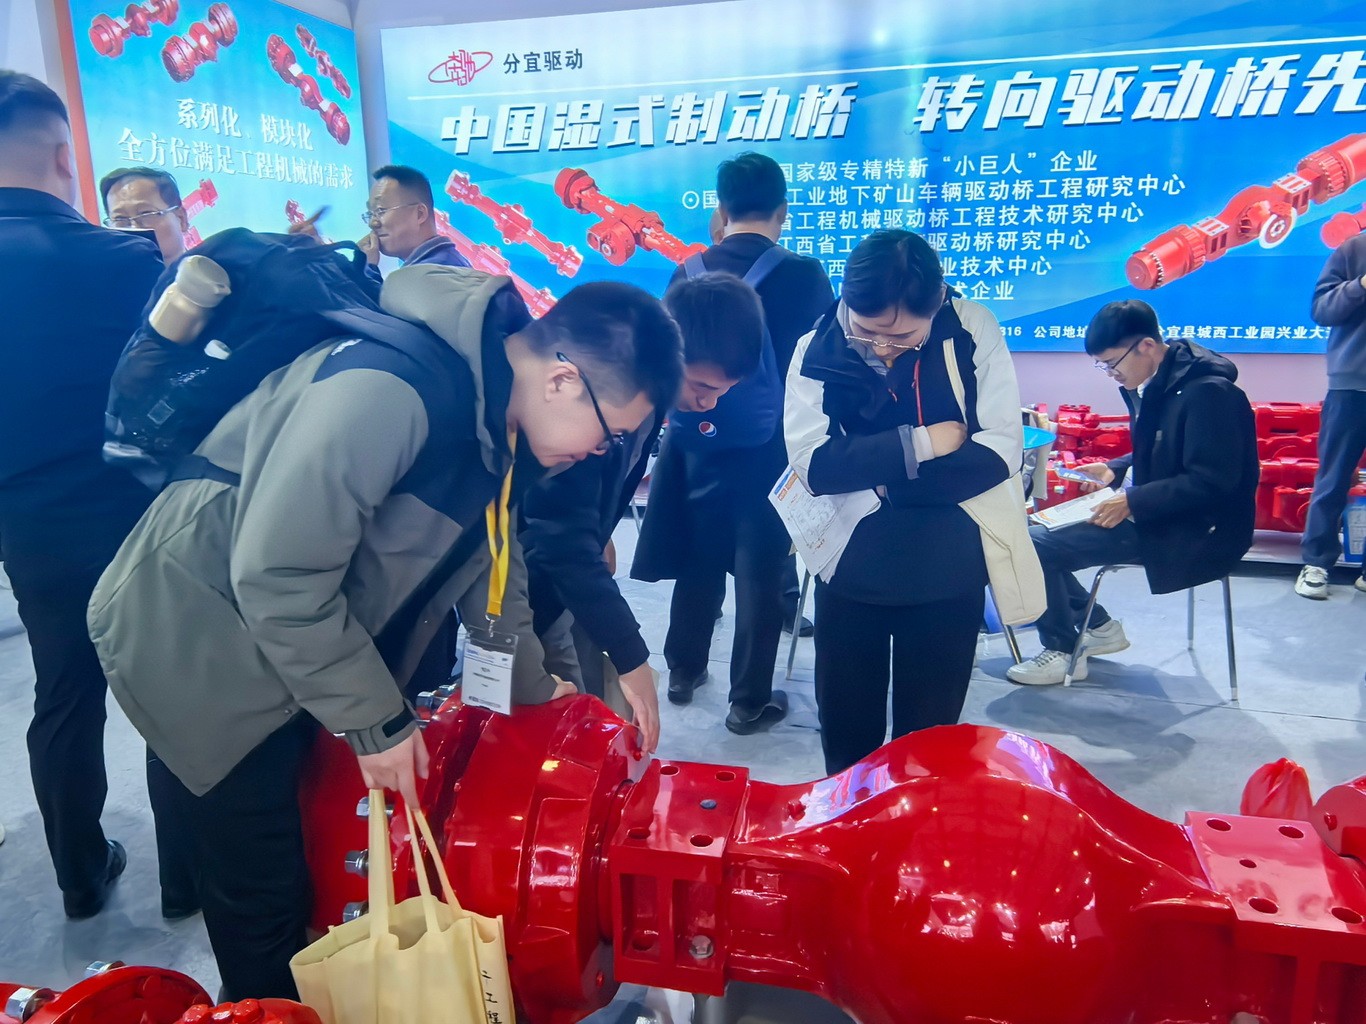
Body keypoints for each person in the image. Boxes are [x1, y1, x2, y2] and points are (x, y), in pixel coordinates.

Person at [88, 265, 681, 999]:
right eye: (609, 435)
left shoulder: (497, 420)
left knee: (304, 831)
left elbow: (493, 579)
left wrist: (533, 690)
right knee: (263, 887)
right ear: (564, 380)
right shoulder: (390, 391)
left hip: (279, 636)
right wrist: (376, 721)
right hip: (198, 637)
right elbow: (277, 576)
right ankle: (264, 1007)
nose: (599, 454)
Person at [0, 71, 167, 918]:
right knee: (171, 685)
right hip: (133, 512)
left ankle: (78, 873)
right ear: (66, 156)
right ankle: (188, 877)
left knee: (63, 690)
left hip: (25, 519)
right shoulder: (126, 260)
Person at [785, 229, 1023, 774]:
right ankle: (848, 821)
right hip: (849, 560)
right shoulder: (816, 346)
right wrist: (925, 443)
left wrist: (885, 482)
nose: (882, 349)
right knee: (847, 733)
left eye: (903, 338)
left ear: (936, 304)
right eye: (867, 333)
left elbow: (997, 452)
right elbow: (814, 466)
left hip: (947, 562)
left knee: (931, 739)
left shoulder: (971, 329)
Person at [632, 152, 834, 735]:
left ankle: (683, 669)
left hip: (693, 442)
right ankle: (748, 700)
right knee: (760, 569)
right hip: (770, 447)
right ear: (783, 212)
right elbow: (821, 365)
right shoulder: (804, 276)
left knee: (699, 554)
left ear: (720, 211)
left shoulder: (687, 271)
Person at [523, 272, 765, 750]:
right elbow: (559, 538)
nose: (709, 404)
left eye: (723, 391)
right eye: (702, 386)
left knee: (592, 698)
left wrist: (600, 529)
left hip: (567, 575)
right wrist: (632, 656)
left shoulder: (651, 394)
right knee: (554, 720)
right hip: (522, 585)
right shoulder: (597, 395)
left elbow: (578, 511)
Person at [1007, 299, 1257, 686]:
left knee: (1034, 546)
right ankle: (1098, 627)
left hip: (1196, 529)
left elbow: (1213, 481)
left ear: (1146, 346)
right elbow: (1167, 447)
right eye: (1102, 366)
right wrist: (1117, 468)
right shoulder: (1161, 383)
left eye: (1112, 363)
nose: (1110, 374)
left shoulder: (1210, 394)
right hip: (1159, 510)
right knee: (1021, 533)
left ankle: (1064, 650)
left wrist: (1133, 500)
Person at [1296, 232, 1366, 599]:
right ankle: (1316, 563)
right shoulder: (1354, 249)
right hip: (1351, 386)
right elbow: (1322, 309)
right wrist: (1361, 285)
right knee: (1334, 478)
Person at [360, 163, 470, 276]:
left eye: (381, 210)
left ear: (419, 214)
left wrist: (364, 271)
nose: (372, 223)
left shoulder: (432, 273)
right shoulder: (446, 261)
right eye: (370, 213)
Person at [99, 165, 188, 264]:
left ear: (181, 219)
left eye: (146, 214)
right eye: (120, 218)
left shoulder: (202, 271)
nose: (134, 228)